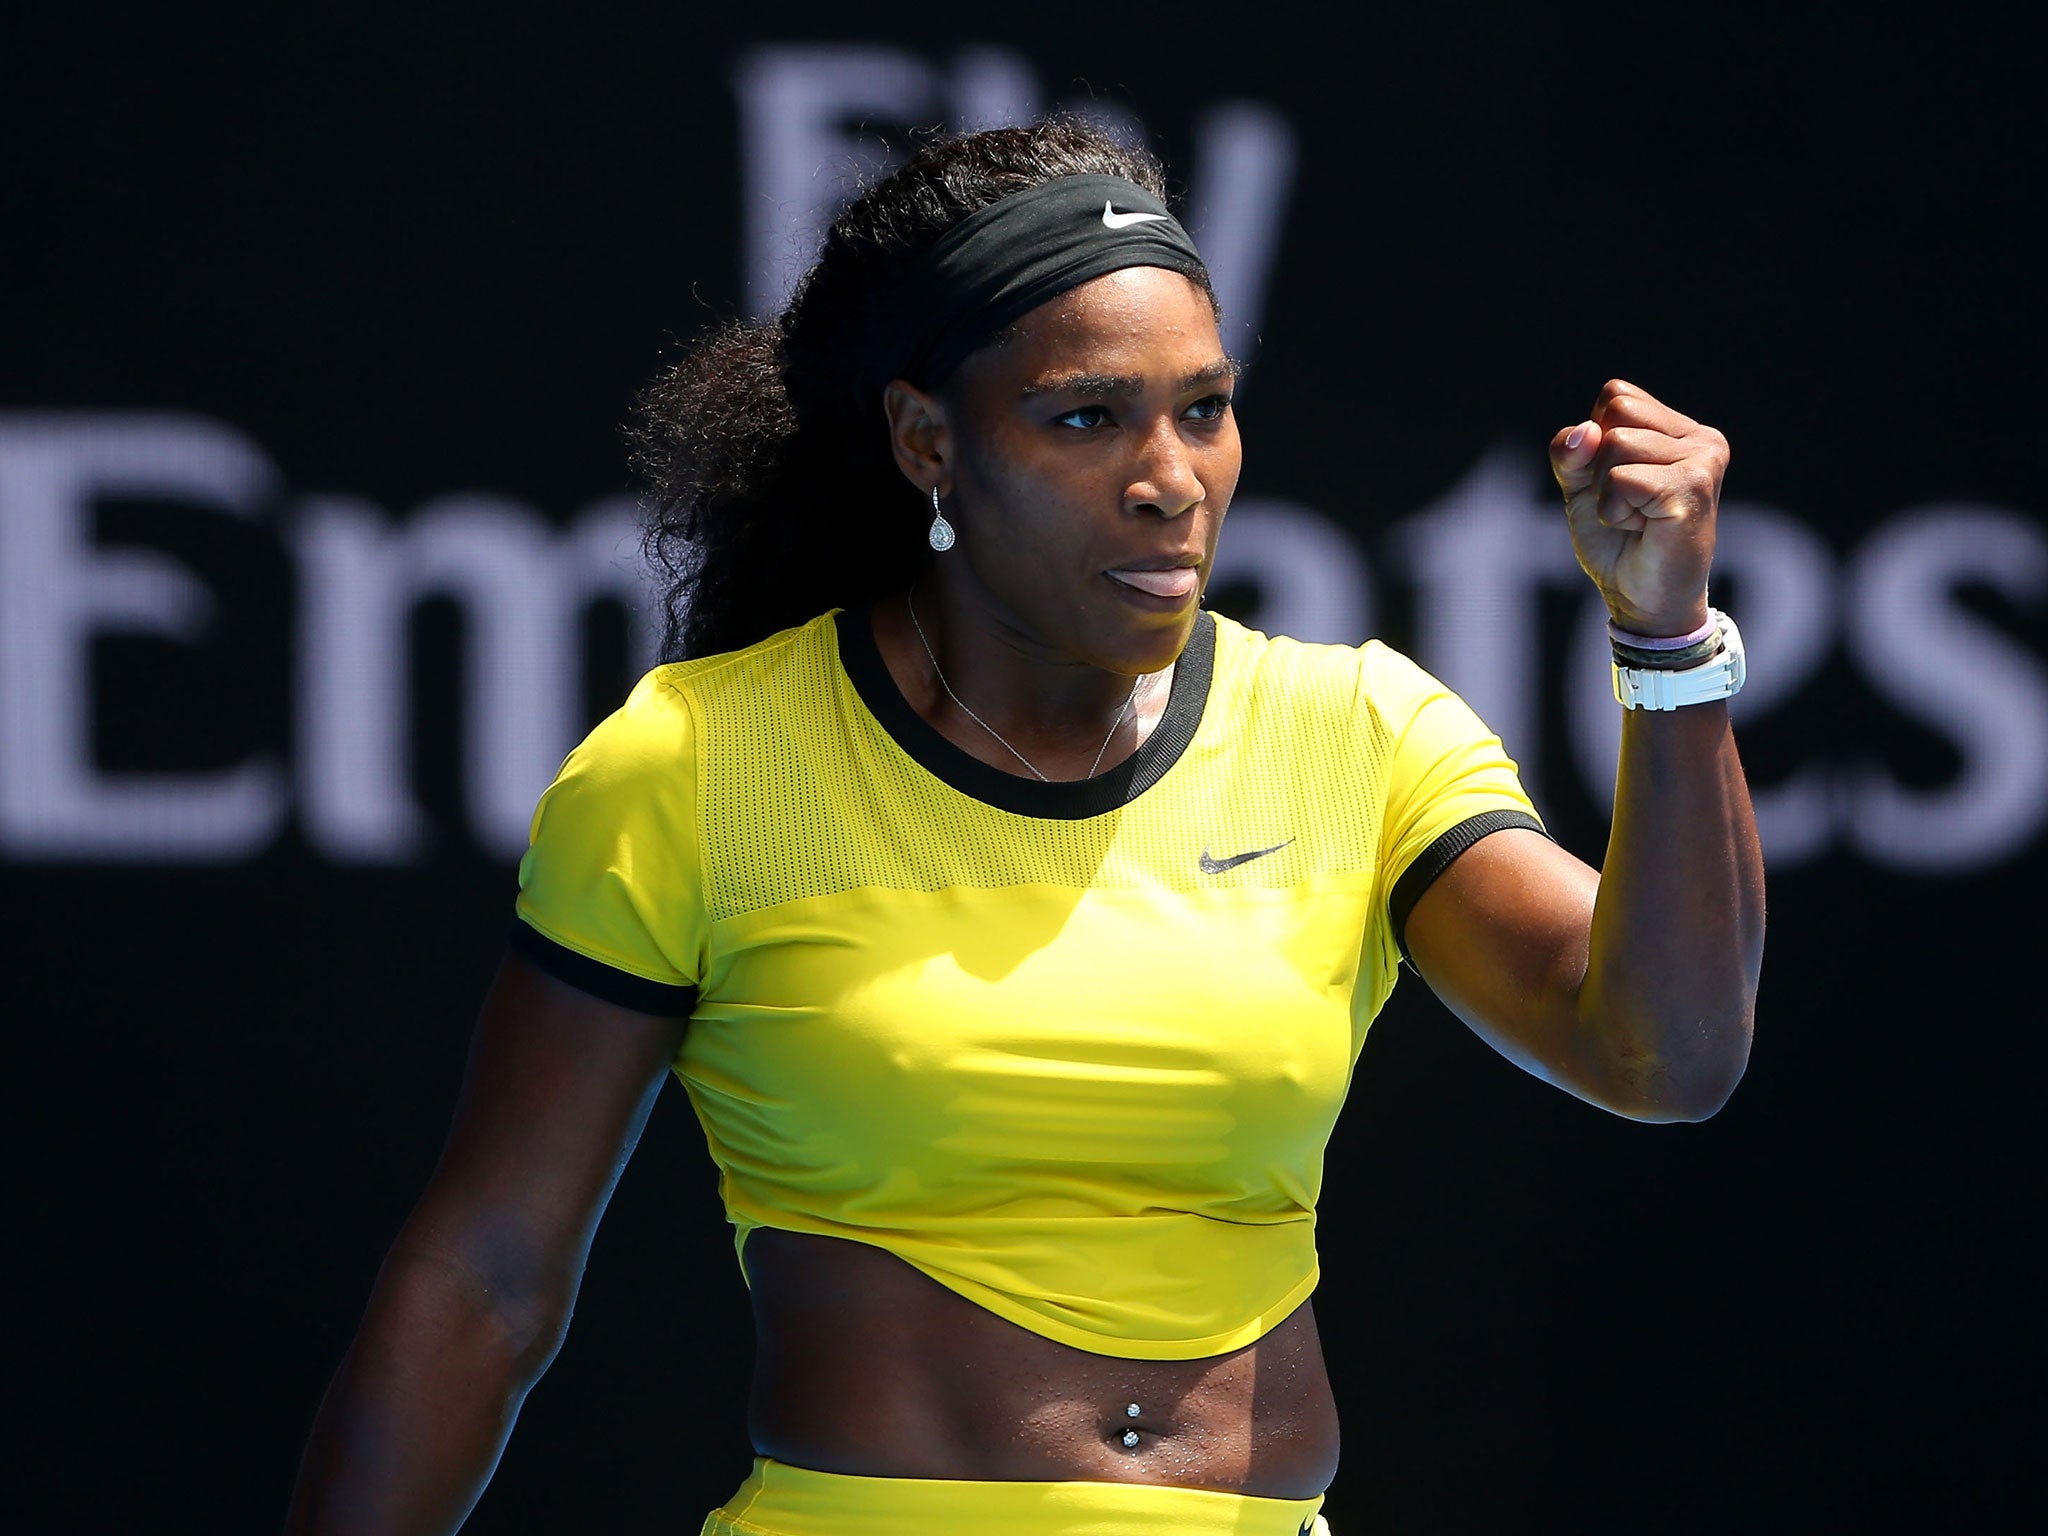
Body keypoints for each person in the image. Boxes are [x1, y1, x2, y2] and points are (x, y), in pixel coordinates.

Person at [284, 118, 1763, 1535]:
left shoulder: (1357, 731)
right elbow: (485, 1279)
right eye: (1085, 419)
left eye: (1205, 408)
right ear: (930, 443)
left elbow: (1665, 1058)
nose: (1169, 482)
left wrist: (1668, 639)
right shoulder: (695, 762)